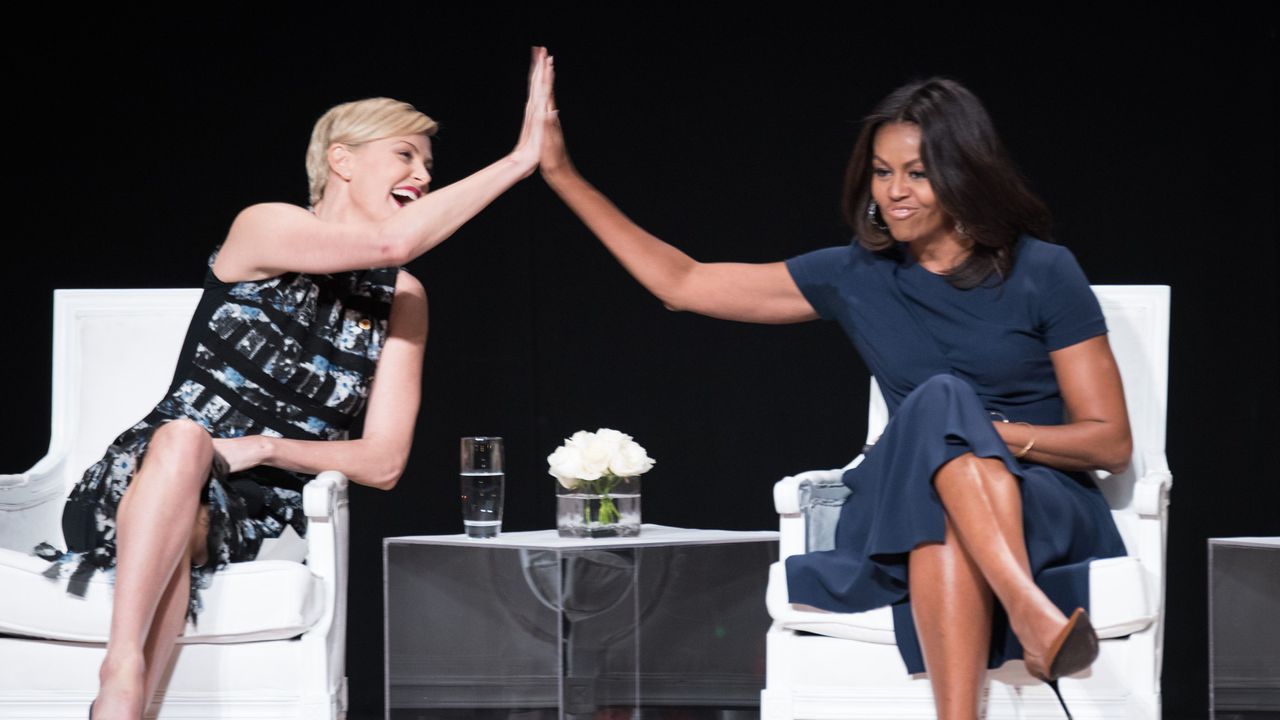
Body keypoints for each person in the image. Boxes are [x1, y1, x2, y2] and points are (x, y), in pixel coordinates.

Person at [538, 77, 1130, 720]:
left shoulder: (1044, 270)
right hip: (905, 492)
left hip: (1038, 497)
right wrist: (563, 174)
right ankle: (1030, 614)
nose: (895, 192)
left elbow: (1110, 443)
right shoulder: (854, 275)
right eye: (882, 172)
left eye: (917, 173)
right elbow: (682, 283)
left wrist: (976, 432)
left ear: (966, 174)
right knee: (938, 434)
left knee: (940, 420)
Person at [39, 48, 555, 719]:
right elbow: (389, 244)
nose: (423, 176)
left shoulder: (404, 299)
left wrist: (267, 447)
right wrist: (520, 159)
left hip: (251, 514)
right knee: (185, 440)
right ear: (341, 159)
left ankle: (123, 696)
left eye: (428, 166)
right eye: (405, 156)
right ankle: (124, 674)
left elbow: (385, 461)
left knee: (193, 478)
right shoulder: (267, 227)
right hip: (139, 481)